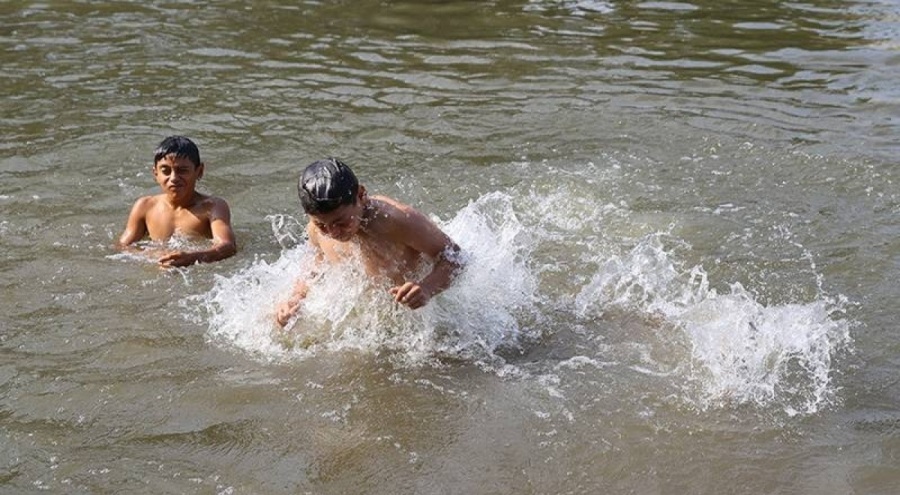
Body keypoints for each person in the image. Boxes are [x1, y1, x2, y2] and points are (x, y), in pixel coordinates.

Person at [275, 158, 463, 327]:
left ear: (361, 195)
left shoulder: (397, 220)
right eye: (322, 225)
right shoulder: (316, 227)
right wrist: (296, 298)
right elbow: (316, 262)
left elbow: (455, 257)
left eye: (341, 222)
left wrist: (427, 288)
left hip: (419, 316)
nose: (332, 233)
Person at [117, 135, 237, 267]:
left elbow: (227, 246)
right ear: (155, 173)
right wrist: (156, 256)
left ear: (199, 171)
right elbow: (124, 247)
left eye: (182, 171)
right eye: (166, 171)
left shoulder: (212, 207)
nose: (174, 178)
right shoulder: (145, 206)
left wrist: (193, 258)